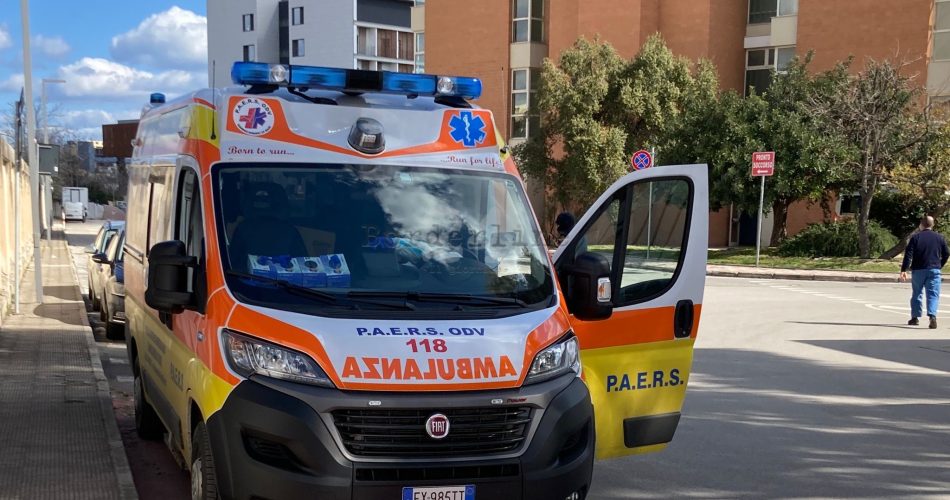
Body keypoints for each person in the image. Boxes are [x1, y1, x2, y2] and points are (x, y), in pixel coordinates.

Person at [899, 216, 950, 328]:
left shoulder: (915, 237)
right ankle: (932, 316)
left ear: (921, 225)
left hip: (918, 269)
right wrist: (939, 265)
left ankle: (915, 318)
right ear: (932, 225)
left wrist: (904, 269)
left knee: (917, 293)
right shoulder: (940, 238)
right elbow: (946, 253)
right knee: (933, 294)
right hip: (934, 269)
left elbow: (908, 254)